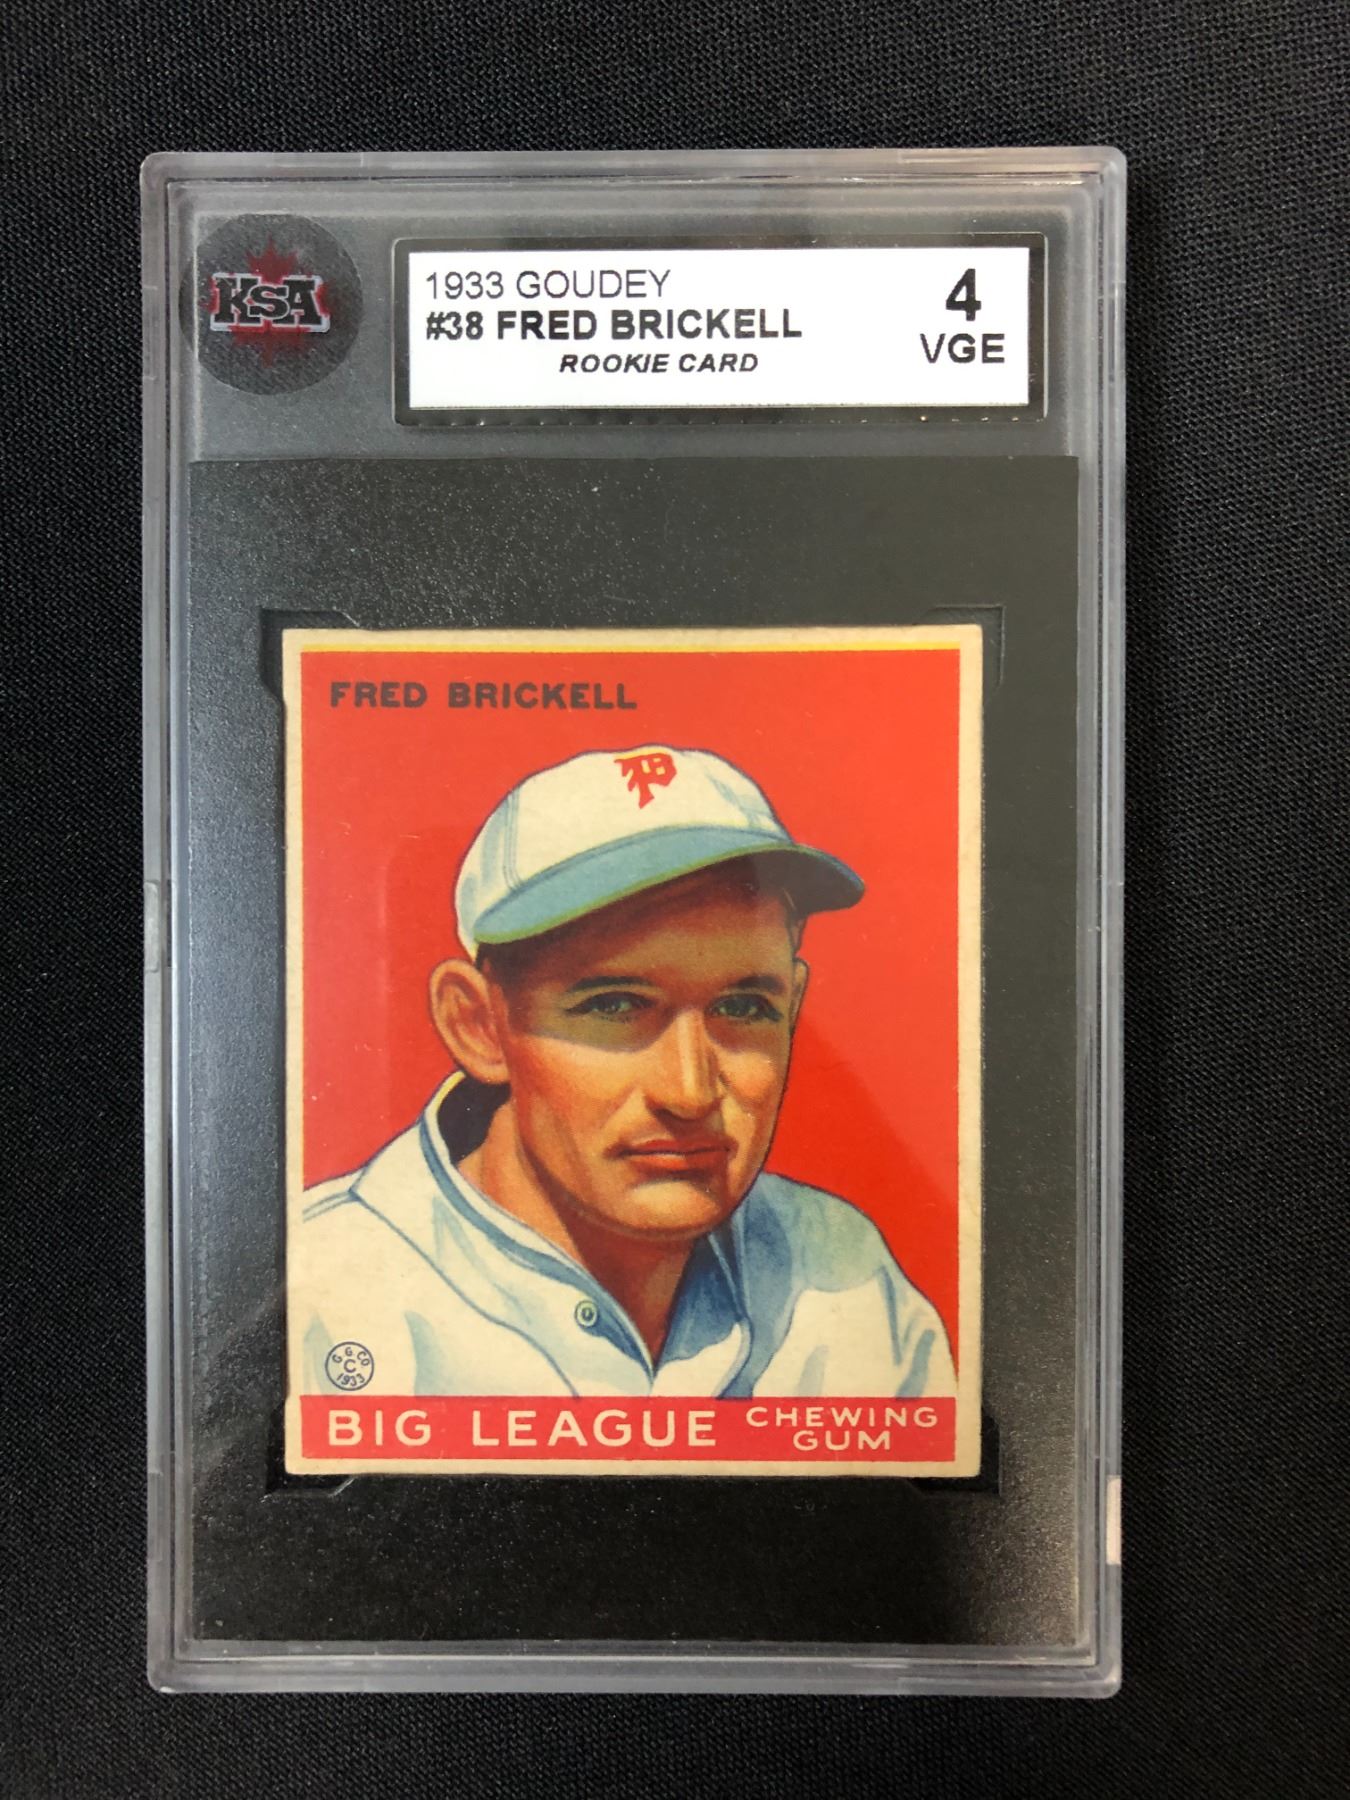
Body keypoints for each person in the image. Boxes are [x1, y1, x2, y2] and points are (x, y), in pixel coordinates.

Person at [297, 745, 955, 1399]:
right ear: (479, 1026)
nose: (689, 1091)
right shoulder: (325, 1291)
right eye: (615, 1006)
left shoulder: (839, 1271)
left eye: (743, 1007)